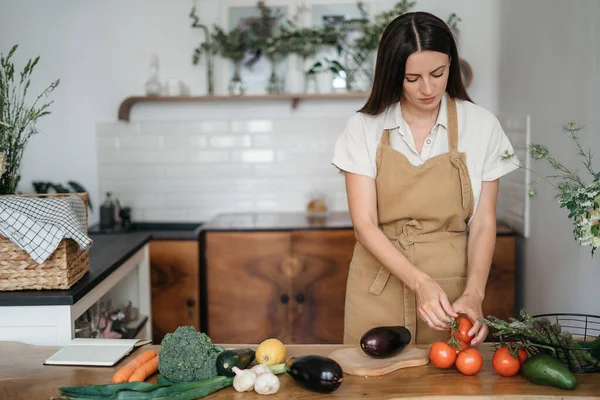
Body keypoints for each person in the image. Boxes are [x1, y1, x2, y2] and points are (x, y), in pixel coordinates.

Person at [331, 11, 520, 346]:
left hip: (450, 292)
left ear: (451, 65)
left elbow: (483, 223)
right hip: (377, 285)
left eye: (438, 73)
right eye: (412, 78)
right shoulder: (362, 128)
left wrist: (474, 295)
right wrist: (419, 283)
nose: (428, 88)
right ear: (392, 75)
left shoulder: (482, 126)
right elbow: (364, 225)